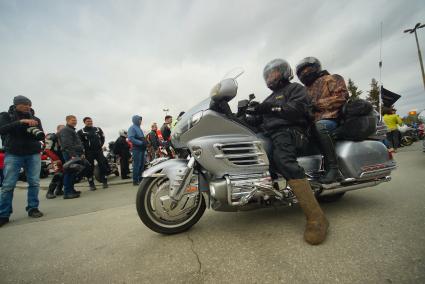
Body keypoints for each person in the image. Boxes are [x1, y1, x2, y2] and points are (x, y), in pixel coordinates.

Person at [247, 59, 328, 245]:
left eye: (273, 73)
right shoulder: (268, 98)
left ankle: (317, 218)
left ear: (283, 72)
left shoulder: (296, 89)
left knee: (283, 159)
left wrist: (271, 108)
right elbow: (259, 121)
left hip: (295, 132)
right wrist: (243, 114)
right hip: (274, 134)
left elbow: (298, 111)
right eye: (267, 75)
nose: (270, 77)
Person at [295, 57, 349, 184]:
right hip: (311, 122)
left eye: (307, 69)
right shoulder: (304, 89)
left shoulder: (331, 78)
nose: (304, 73)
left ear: (315, 68)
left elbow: (341, 97)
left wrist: (315, 104)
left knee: (320, 127)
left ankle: (334, 169)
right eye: (301, 72)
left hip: (332, 118)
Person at [0, 96, 45, 227]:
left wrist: (35, 130)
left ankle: (33, 208)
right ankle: (3, 214)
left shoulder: (35, 119)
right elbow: (2, 129)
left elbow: (40, 134)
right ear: (16, 104)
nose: (27, 106)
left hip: (33, 153)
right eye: (24, 104)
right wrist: (20, 122)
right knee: (8, 184)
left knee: (34, 182)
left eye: (29, 104)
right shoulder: (6, 115)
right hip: (13, 153)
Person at [77, 117, 108, 189]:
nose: (90, 122)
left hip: (98, 151)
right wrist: (82, 151)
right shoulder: (80, 132)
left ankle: (105, 182)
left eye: (91, 121)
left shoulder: (98, 129)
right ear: (84, 122)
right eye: (88, 121)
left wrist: (100, 145)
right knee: (89, 167)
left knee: (102, 165)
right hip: (88, 152)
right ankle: (91, 184)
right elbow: (79, 143)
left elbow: (102, 138)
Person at [58, 115, 84, 199]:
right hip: (69, 154)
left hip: (73, 153)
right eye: (73, 120)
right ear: (67, 120)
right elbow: (67, 144)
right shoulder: (66, 130)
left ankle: (71, 190)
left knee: (73, 172)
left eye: (75, 120)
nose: (75, 121)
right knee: (69, 172)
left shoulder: (71, 130)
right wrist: (72, 155)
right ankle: (67, 193)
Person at [44, 125, 66, 199]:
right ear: (57, 129)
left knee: (64, 173)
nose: (63, 131)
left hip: (63, 157)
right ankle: (50, 192)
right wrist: (55, 159)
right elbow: (47, 150)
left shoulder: (64, 138)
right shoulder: (51, 136)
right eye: (62, 129)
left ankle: (59, 190)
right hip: (55, 158)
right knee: (58, 173)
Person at [128, 115, 146, 185]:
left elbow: (141, 138)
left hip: (141, 149)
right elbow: (131, 138)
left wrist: (145, 143)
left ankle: (140, 179)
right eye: (139, 119)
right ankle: (135, 181)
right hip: (136, 149)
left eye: (141, 120)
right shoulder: (132, 128)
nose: (140, 121)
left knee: (141, 164)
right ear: (135, 120)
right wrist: (141, 143)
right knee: (137, 165)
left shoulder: (139, 128)